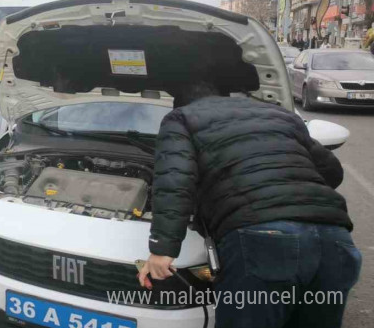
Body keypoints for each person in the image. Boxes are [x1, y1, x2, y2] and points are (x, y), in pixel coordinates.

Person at [138, 81, 361, 328]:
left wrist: (163, 249)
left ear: (180, 103)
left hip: (265, 242)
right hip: (335, 239)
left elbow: (174, 181)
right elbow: (332, 171)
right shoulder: (281, 116)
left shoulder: (182, 118)